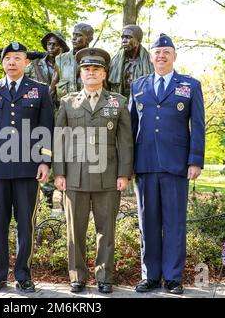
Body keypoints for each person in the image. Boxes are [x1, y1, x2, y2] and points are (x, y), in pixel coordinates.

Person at [0, 42, 54, 293]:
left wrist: (45, 160)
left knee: (24, 223)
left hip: (27, 166)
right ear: (2, 62)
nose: (11, 62)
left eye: (17, 58)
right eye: (7, 58)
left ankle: (23, 274)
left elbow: (46, 128)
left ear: (26, 62)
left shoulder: (39, 91)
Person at [130, 34, 205, 294]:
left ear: (174, 56)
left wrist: (195, 160)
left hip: (176, 165)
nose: (161, 55)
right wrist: (129, 164)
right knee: (147, 223)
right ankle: (150, 276)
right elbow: (131, 127)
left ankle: (173, 278)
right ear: (151, 57)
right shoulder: (137, 85)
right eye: (157, 52)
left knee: (174, 223)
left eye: (166, 52)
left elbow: (197, 126)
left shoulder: (190, 85)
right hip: (145, 164)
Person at [53, 48, 133, 293]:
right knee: (74, 231)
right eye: (87, 69)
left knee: (106, 230)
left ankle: (104, 277)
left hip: (108, 176)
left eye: (96, 69)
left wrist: (124, 174)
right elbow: (59, 139)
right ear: (80, 74)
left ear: (104, 74)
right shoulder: (67, 102)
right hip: (74, 177)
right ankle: (77, 276)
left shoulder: (117, 102)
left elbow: (126, 141)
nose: (91, 73)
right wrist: (59, 173)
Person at [25, 31, 69, 210]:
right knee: (42, 154)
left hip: (64, 117)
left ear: (62, 47)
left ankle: (67, 200)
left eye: (56, 44)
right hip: (40, 119)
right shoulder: (33, 67)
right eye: (49, 44)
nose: (52, 47)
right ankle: (47, 200)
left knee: (65, 156)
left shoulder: (69, 65)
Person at [50, 23, 94, 103]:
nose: (74, 38)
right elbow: (52, 91)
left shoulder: (97, 60)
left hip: (89, 109)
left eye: (78, 35)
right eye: (73, 35)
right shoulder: (60, 59)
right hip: (65, 109)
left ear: (89, 39)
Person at [108, 24, 153, 98]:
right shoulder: (115, 61)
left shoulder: (150, 61)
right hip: (119, 100)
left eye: (128, 37)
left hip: (142, 100)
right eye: (122, 37)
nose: (124, 41)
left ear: (139, 40)